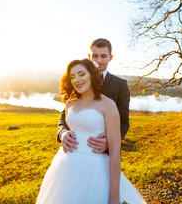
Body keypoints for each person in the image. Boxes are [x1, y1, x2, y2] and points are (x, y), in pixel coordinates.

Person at [36, 59, 146, 203]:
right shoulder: (70, 103)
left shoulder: (108, 105)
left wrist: (114, 196)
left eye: (81, 74)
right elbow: (64, 124)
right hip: (66, 166)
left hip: (95, 169)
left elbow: (114, 152)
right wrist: (63, 134)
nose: (77, 80)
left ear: (92, 75)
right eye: (73, 76)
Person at [58, 38, 130, 154]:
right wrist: (62, 133)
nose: (99, 60)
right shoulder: (79, 81)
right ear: (89, 56)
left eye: (103, 56)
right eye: (95, 56)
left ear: (110, 58)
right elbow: (65, 114)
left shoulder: (120, 85)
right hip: (74, 150)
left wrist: (110, 141)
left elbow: (124, 121)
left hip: (106, 153)